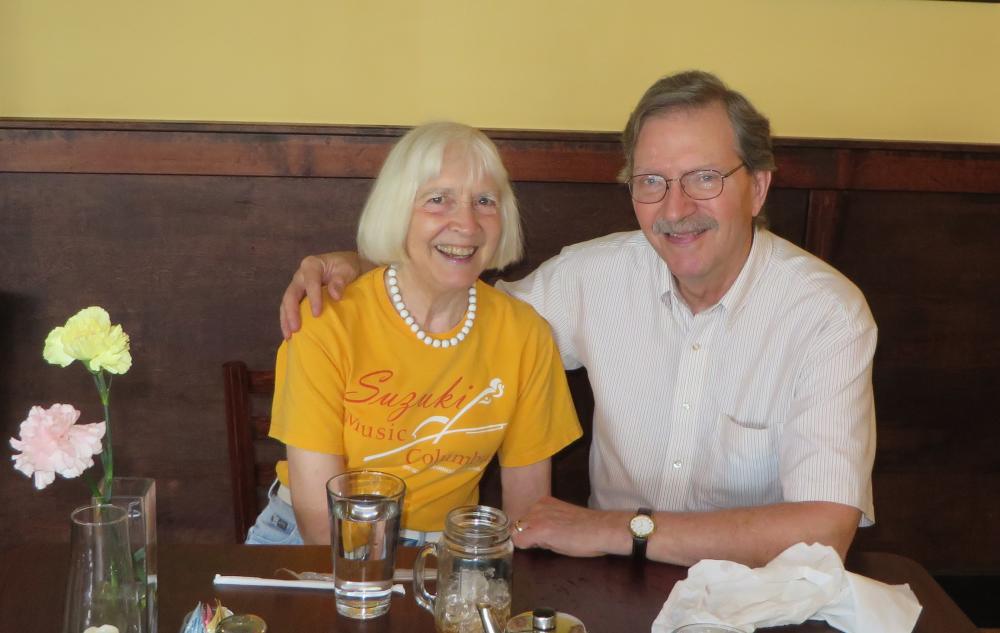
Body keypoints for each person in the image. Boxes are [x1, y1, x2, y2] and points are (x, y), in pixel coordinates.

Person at [277, 71, 877, 567]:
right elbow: (457, 299)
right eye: (651, 182)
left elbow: (827, 527)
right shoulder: (593, 278)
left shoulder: (826, 315)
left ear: (759, 187)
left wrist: (622, 530)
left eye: (704, 177)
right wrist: (358, 260)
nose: (676, 208)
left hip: (756, 592)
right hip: (610, 584)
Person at [248, 121, 582, 546]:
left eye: (484, 201)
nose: (466, 223)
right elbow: (322, 526)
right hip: (310, 539)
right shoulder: (325, 321)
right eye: (438, 200)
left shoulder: (526, 334)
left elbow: (527, 514)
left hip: (448, 549)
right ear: (397, 211)